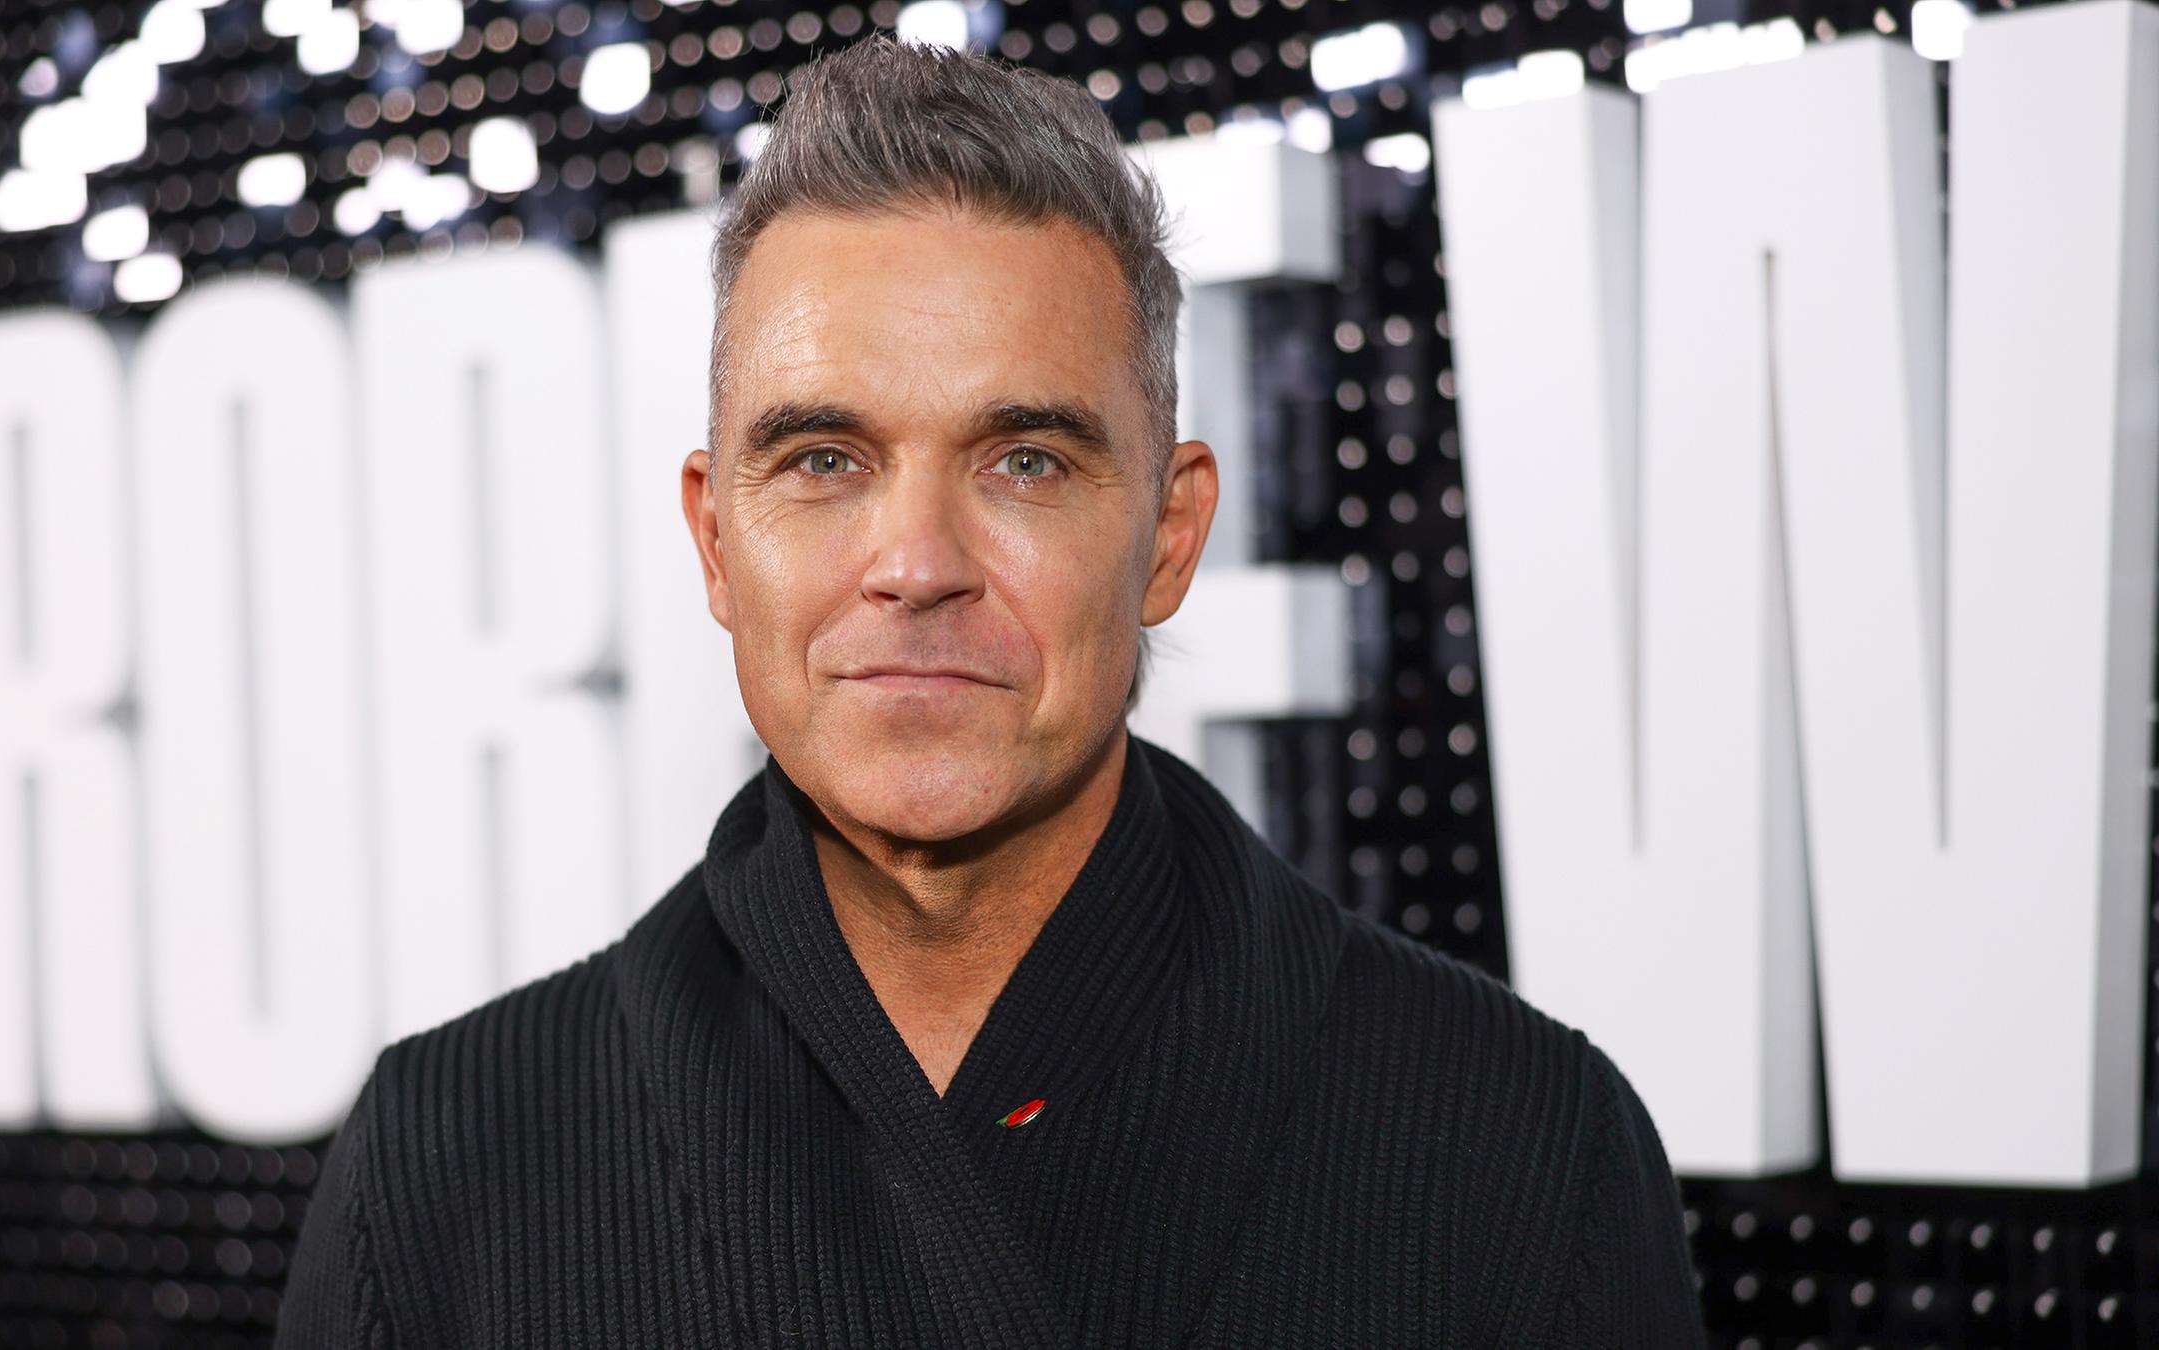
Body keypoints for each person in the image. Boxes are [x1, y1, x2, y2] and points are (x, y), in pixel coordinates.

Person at [275, 34, 1703, 1348]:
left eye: (1025, 461)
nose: (917, 565)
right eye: (823, 460)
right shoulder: (439, 1171)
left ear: (1170, 536)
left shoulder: (1526, 1149)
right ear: (716, 541)